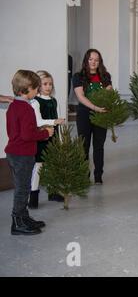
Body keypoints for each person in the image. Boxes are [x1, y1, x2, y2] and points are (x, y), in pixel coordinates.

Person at [5, 70, 54, 235]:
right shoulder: (26, 109)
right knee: (22, 189)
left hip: (13, 153)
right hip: (22, 155)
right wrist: (45, 133)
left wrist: (36, 130)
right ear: (26, 89)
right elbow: (27, 135)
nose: (38, 91)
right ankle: (17, 223)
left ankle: (24, 217)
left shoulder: (13, 106)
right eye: (36, 88)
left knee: (22, 188)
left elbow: (15, 131)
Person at [73, 49, 111, 185]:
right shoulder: (78, 76)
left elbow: (109, 94)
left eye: (96, 60)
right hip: (84, 114)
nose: (93, 62)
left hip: (102, 115)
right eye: (90, 59)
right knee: (84, 146)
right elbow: (80, 96)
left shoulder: (105, 76)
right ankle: (84, 175)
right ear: (86, 60)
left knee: (99, 146)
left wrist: (107, 105)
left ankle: (98, 175)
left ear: (99, 62)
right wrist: (95, 108)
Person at [29, 71, 65, 209]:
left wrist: (59, 139)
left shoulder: (54, 101)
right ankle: (33, 196)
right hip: (41, 138)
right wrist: (54, 121)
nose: (48, 86)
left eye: (50, 84)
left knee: (51, 165)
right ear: (38, 85)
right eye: (45, 84)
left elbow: (58, 122)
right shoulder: (35, 102)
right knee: (38, 167)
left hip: (53, 137)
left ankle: (53, 191)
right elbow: (38, 122)